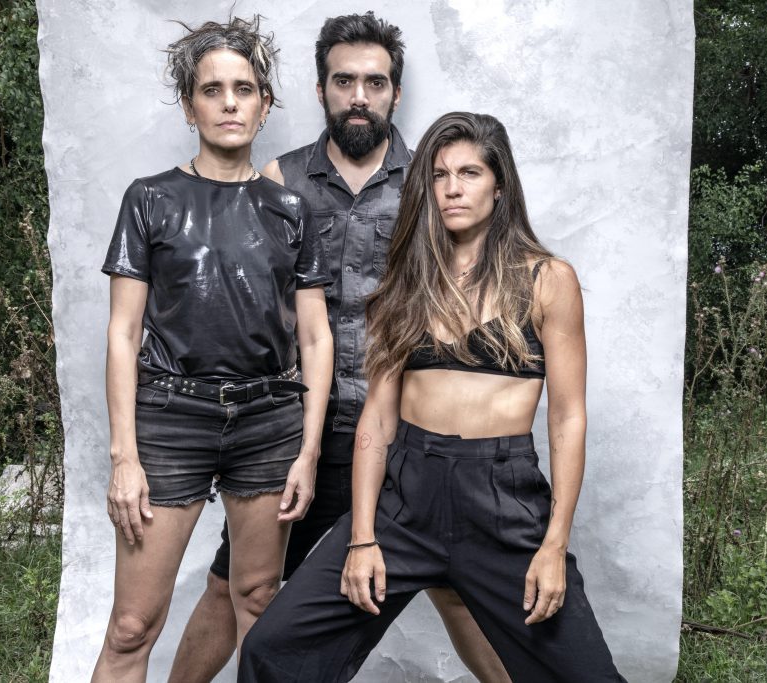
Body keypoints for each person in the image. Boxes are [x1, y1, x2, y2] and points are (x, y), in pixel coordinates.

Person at [170, 12, 509, 683]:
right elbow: (249, 307)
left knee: (454, 589)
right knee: (235, 582)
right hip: (300, 426)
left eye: (375, 82)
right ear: (321, 89)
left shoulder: (432, 185)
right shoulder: (280, 180)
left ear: (395, 93)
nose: (359, 96)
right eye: (344, 80)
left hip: (402, 427)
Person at [237, 112, 627, 682]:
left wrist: (553, 544)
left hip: (501, 502)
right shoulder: (408, 282)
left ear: (500, 184)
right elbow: (377, 420)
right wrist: (363, 538)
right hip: (405, 500)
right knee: (272, 649)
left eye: (469, 173)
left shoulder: (547, 279)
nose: (452, 188)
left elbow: (568, 417)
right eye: (440, 175)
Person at [91, 16, 333, 682]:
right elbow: (122, 332)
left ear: (265, 103)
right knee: (132, 625)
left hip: (268, 422)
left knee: (257, 599)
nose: (230, 103)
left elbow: (315, 336)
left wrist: (309, 450)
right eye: (212, 89)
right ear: (188, 104)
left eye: (244, 89)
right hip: (171, 419)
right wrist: (124, 457)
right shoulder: (150, 199)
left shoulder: (291, 210)